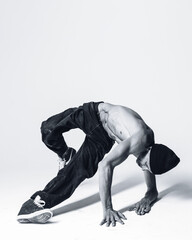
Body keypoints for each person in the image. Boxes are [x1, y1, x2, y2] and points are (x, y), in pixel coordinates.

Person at [17, 101, 180, 226]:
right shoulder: (139, 139)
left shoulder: (152, 155)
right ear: (150, 151)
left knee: (78, 171)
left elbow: (152, 191)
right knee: (48, 130)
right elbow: (105, 165)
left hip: (103, 138)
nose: (144, 169)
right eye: (146, 166)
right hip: (93, 115)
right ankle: (66, 154)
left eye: (147, 168)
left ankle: (37, 203)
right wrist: (108, 208)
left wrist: (147, 199)